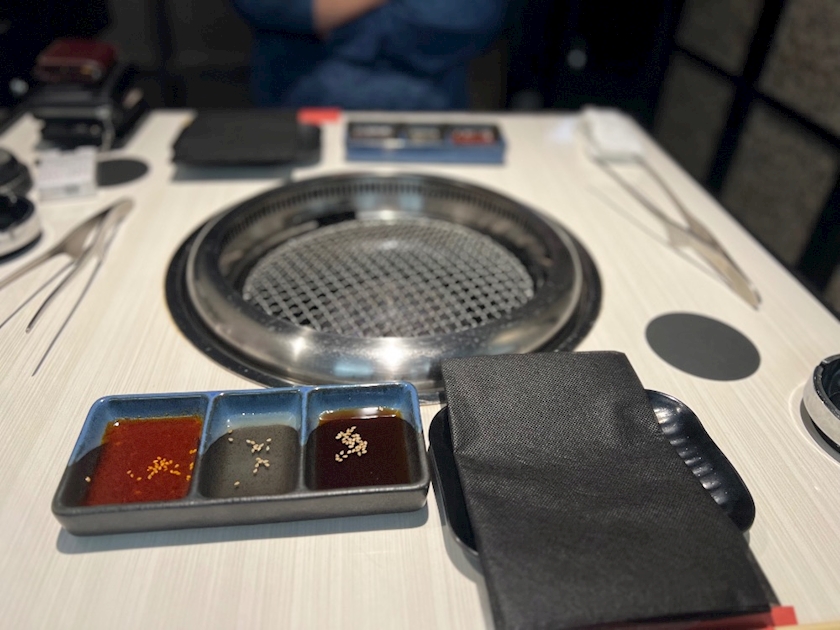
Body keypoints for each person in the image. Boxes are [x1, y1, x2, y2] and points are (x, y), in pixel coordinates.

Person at [232, 0, 507, 109]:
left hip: (433, 119)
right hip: (302, 116)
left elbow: (471, 14)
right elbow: (272, 7)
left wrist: (335, 25)